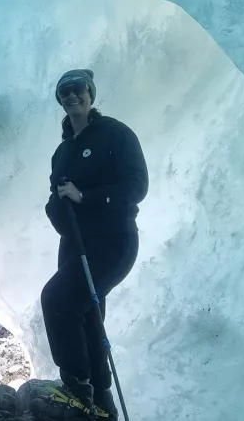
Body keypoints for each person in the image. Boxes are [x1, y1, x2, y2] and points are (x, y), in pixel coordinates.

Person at [38, 69, 148, 419]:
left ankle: (76, 384)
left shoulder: (115, 133)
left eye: (77, 89)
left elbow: (136, 186)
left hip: (113, 239)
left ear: (90, 93)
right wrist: (58, 209)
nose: (71, 96)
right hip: (75, 243)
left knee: (57, 299)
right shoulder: (62, 152)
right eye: (64, 92)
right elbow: (56, 200)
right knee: (87, 316)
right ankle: (101, 401)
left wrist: (85, 197)